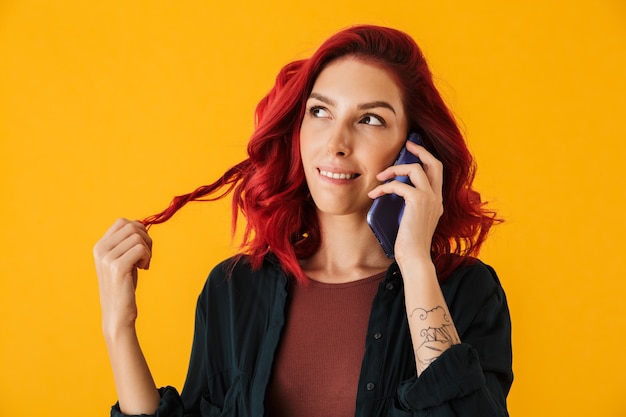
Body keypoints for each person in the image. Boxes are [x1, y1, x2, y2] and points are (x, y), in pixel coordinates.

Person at [93, 25, 513, 417]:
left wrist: (416, 262)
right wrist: (118, 326)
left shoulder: (465, 292)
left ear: (414, 148)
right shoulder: (234, 289)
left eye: (370, 119)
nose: (336, 143)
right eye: (320, 111)